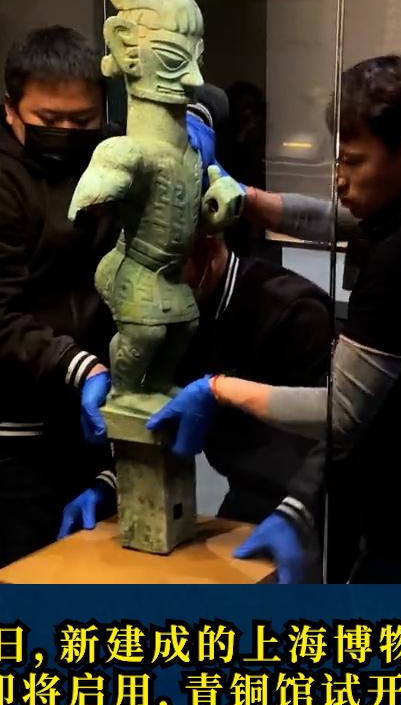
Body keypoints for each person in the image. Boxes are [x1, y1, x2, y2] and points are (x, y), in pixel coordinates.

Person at [153, 52, 401, 585]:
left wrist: (218, 389)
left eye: (355, 162)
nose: (339, 179)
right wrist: (247, 199)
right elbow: (335, 219)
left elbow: (339, 414)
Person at [0, 24, 228, 576]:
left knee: (94, 567)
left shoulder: (112, 153)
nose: (67, 132)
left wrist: (190, 125)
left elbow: (207, 100)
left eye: (82, 120)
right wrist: (82, 368)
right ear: (11, 109)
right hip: (9, 429)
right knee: (11, 572)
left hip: (89, 415)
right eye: (50, 120)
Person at [57, 231, 333, 580]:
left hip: (315, 503)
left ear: (209, 249)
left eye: (168, 271)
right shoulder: (177, 315)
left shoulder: (294, 311)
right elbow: (157, 414)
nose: (156, 288)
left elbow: (335, 432)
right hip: (246, 494)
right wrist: (114, 481)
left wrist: (298, 509)